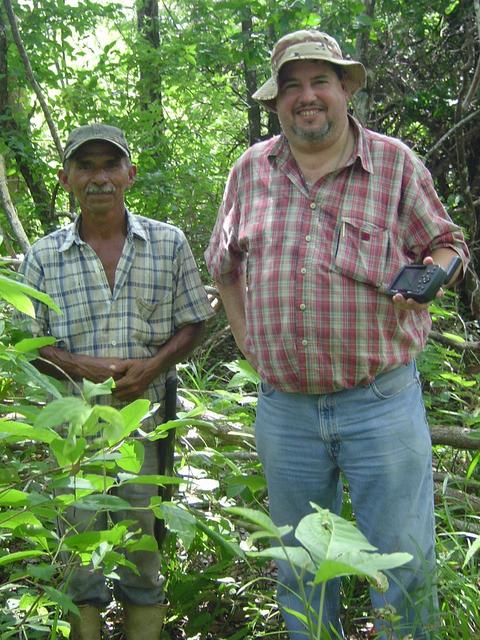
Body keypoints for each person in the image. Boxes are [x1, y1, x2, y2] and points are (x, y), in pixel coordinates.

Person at [205, 30, 470, 640]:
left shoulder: (394, 164)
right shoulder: (250, 172)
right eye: (291, 86)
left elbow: (448, 243)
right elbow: (224, 267)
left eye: (320, 80)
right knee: (300, 567)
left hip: (379, 402)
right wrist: (248, 341)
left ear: (346, 88)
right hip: (285, 412)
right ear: (275, 102)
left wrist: (433, 275)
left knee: (401, 562)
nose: (307, 97)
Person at [19, 124, 213, 640]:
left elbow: (195, 321)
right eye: (86, 167)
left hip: (147, 423)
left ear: (130, 173)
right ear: (66, 179)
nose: (99, 178)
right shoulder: (43, 257)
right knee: (78, 555)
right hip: (72, 432)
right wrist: (86, 369)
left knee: (141, 551)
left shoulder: (167, 243)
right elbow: (29, 344)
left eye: (110, 165)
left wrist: (150, 367)